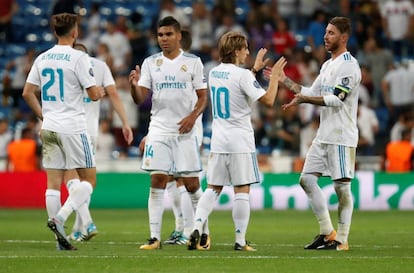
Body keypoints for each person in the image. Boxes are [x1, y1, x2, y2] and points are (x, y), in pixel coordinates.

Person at [187, 31, 287, 251]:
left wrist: (254, 70)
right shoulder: (243, 76)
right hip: (241, 141)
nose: (249, 52)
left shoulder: (213, 72)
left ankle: (195, 226)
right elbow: (269, 100)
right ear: (236, 51)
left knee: (213, 188)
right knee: (241, 191)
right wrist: (276, 77)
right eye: (246, 48)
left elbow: (236, 83)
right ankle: (240, 241)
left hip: (219, 140)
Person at [22, 13, 103, 250]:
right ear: (75, 31)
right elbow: (93, 94)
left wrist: (43, 116)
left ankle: (61, 241)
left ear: (55, 31)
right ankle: (60, 218)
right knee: (89, 179)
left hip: (49, 126)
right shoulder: (79, 58)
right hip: (74, 127)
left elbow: (27, 92)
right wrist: (98, 90)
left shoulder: (43, 58)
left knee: (53, 184)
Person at [280, 16, 361, 251]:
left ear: (344, 37)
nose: (325, 37)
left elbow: (337, 100)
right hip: (323, 135)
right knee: (306, 180)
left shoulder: (349, 65)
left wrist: (305, 99)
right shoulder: (327, 65)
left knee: (341, 188)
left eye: (331, 33)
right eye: (326, 32)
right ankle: (327, 232)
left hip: (341, 136)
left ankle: (342, 239)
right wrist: (283, 80)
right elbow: (309, 91)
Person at [129, 16, 208, 250]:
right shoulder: (150, 62)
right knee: (158, 180)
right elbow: (140, 98)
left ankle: (203, 232)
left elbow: (203, 97)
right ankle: (154, 237)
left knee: (191, 183)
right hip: (159, 128)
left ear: (179, 36)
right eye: (160, 35)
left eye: (168, 34)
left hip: (186, 130)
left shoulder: (193, 62)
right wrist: (134, 87)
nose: (164, 39)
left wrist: (193, 117)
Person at [65, 43, 134, 242]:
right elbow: (113, 95)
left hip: (70, 128)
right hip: (91, 132)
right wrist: (125, 123)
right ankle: (79, 228)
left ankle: (86, 222)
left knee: (71, 178)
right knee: (86, 181)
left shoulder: (66, 66)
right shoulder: (100, 66)